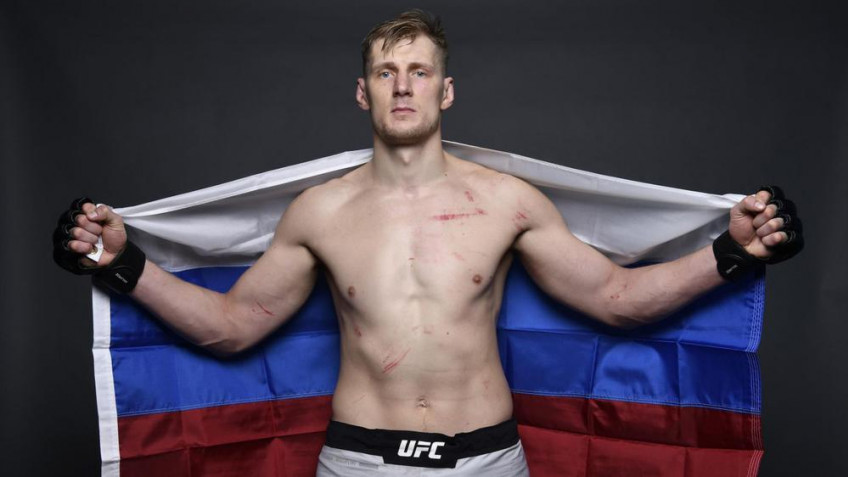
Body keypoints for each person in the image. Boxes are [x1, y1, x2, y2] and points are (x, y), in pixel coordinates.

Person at [52, 9, 803, 477]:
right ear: (364, 92)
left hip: (487, 460)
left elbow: (616, 299)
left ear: (446, 91)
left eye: (419, 72)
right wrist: (122, 265)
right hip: (358, 462)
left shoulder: (507, 202)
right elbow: (232, 326)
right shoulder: (319, 212)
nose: (403, 85)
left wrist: (733, 254)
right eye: (386, 72)